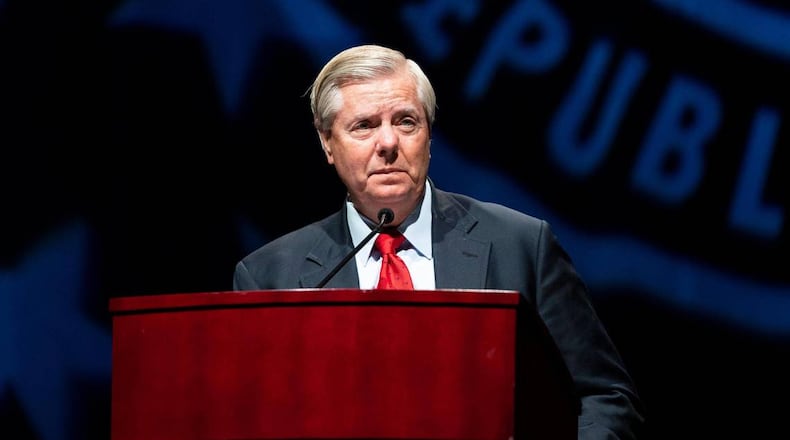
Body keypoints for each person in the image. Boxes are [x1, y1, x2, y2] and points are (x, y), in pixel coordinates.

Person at [233, 43, 645, 438]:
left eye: (406, 121)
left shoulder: (521, 245)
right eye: (364, 126)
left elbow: (604, 397)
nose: (389, 143)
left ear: (429, 136)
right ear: (327, 142)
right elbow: (250, 419)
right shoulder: (270, 276)